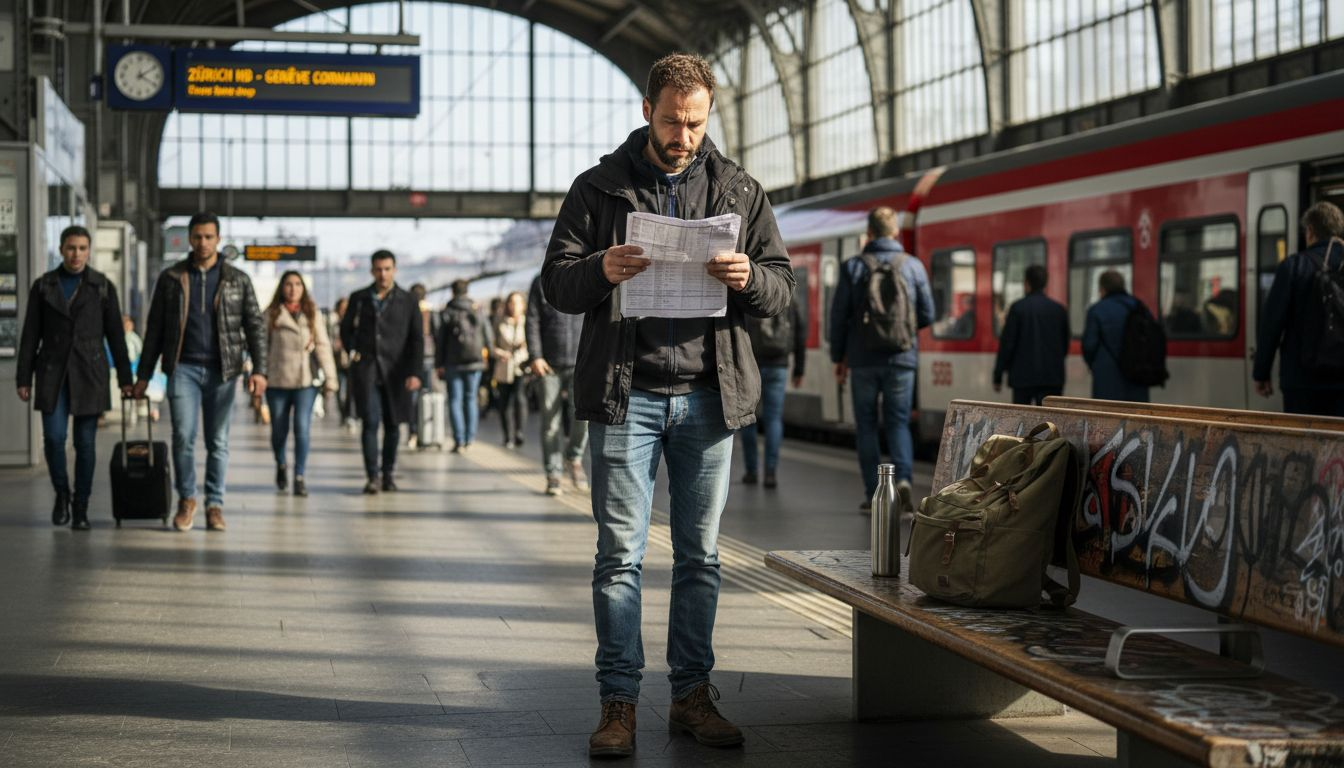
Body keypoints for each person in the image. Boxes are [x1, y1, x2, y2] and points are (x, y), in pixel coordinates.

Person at [542, 52, 794, 759]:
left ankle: (690, 697)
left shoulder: (740, 191)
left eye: (695, 121)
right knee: (619, 557)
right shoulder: (599, 189)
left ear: (707, 115)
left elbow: (783, 290)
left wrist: (750, 277)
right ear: (647, 110)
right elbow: (555, 284)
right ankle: (617, 704)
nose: (683, 134)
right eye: (671, 120)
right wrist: (601, 268)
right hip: (629, 398)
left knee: (700, 559)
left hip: (709, 399)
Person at [132, 211, 268, 533]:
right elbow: (155, 330)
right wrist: (143, 376)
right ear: (189, 239)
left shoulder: (238, 279)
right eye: (197, 237)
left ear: (218, 239)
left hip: (224, 370)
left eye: (209, 237)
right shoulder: (171, 278)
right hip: (183, 368)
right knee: (183, 437)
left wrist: (259, 370)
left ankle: (215, 504)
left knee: (218, 441)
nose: (203, 242)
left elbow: (255, 327)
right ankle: (187, 499)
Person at [16, 225, 134, 530]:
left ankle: (81, 506)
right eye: (71, 248)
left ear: (89, 250)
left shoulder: (102, 286)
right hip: (52, 371)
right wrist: (23, 377)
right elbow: (30, 335)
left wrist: (125, 379)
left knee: (86, 444)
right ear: (61, 249)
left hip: (89, 372)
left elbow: (116, 337)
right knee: (54, 440)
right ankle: (61, 494)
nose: (77, 254)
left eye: (82, 248)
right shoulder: (44, 286)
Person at [827, 206, 934, 514]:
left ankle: (874, 493)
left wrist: (839, 357)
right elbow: (927, 314)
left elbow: (839, 317)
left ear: (869, 234)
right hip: (902, 357)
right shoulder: (913, 266)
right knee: (899, 422)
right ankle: (903, 481)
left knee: (867, 426)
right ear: (896, 232)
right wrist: (902, 332)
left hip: (862, 359)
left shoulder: (853, 267)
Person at [340, 250, 423, 494]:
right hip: (366, 370)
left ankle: (388, 473)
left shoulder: (408, 300)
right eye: (378, 269)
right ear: (371, 270)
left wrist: (415, 372)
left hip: (397, 372)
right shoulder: (359, 298)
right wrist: (353, 350)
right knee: (370, 422)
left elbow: (416, 339)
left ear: (394, 270)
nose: (382, 274)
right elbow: (345, 330)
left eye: (387, 269)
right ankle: (372, 476)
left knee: (394, 424)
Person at [1254, 201, 1344, 416]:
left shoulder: (1294, 266)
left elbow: (1272, 324)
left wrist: (1261, 372)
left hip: (1302, 380)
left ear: (1310, 231)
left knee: (1303, 446)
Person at [264, 271, 339, 497]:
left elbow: (323, 346)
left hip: (306, 381)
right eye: (288, 284)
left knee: (302, 428)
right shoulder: (271, 314)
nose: (293, 289)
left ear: (303, 288)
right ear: (282, 287)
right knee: (279, 429)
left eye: (298, 284)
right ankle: (280, 464)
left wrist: (331, 377)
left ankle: (299, 475)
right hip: (277, 380)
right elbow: (260, 346)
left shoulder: (312, 314)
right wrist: (259, 374)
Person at [525, 273, 589, 495]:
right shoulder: (542, 280)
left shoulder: (586, 273)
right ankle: (553, 472)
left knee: (583, 416)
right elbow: (532, 318)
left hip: (581, 361)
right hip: (548, 363)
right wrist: (535, 355)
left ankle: (574, 457)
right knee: (550, 421)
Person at [739, 301, 805, 488]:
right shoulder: (787, 295)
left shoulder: (752, 289)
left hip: (752, 363)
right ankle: (770, 473)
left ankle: (751, 471)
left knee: (748, 418)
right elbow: (800, 332)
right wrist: (799, 369)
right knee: (774, 419)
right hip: (778, 365)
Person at [992, 265, 1069, 405]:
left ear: (1026, 283)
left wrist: (998, 375)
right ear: (1045, 283)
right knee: (1049, 422)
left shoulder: (1017, 308)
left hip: (1022, 378)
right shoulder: (1059, 310)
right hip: (1051, 377)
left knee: (1023, 421)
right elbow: (1064, 346)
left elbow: (1007, 344)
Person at [436, 279, 491, 452]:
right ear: (467, 291)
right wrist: (489, 356)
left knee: (454, 400)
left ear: (452, 292)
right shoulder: (477, 310)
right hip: (475, 362)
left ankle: (458, 440)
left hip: (452, 363)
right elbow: (488, 335)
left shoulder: (447, 311)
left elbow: (441, 340)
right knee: (470, 398)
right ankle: (470, 438)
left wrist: (439, 363)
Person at [1081, 269, 1149, 402]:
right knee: (1137, 418)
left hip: (1106, 379)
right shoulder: (1140, 307)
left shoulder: (1096, 310)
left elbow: (1089, 346)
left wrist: (1093, 365)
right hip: (1138, 378)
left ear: (1102, 289)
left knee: (1107, 418)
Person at [492, 290, 529, 448]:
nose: (514, 306)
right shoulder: (500, 321)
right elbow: (491, 344)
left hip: (521, 365)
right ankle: (507, 435)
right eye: (511, 303)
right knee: (504, 402)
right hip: (503, 366)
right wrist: (500, 353)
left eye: (518, 303)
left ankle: (519, 432)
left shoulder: (527, 322)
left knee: (520, 398)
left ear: (523, 305)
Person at [406, 283, 439, 449]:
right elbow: (438, 335)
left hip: (411, 360)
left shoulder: (407, 311)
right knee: (426, 395)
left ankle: (412, 432)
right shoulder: (430, 312)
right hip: (428, 358)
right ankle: (426, 432)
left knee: (412, 399)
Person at [330, 297, 356, 431]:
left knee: (351, 393)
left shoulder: (355, 325)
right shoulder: (334, 326)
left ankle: (350, 416)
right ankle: (343, 414)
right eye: (342, 309)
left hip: (351, 363)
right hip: (338, 363)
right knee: (340, 391)